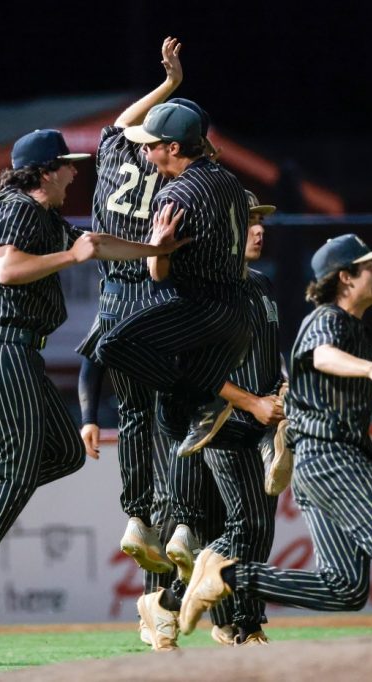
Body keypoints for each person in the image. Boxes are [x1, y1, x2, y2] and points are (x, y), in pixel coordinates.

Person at [0, 129, 186, 647]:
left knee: (64, 454)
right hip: (0, 346)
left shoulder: (44, 215)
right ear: (44, 172)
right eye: (65, 165)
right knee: (20, 470)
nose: (74, 172)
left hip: (16, 349)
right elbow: (8, 267)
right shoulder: (17, 203)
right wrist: (73, 258)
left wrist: (155, 246)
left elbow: (97, 245)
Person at [177, 234, 372, 635]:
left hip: (316, 464)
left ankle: (229, 577)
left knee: (344, 587)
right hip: (334, 458)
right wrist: (370, 370)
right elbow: (321, 354)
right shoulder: (329, 319)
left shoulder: (355, 331)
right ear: (345, 278)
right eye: (369, 268)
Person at [137, 191, 285, 649]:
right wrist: (251, 402)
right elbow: (189, 365)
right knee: (244, 522)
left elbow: (265, 352)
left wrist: (279, 389)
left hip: (260, 418)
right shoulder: (205, 287)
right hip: (220, 418)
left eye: (261, 220)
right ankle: (173, 603)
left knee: (255, 525)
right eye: (248, 220)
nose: (258, 228)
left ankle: (243, 623)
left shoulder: (259, 284)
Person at [76, 36, 194, 574]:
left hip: (114, 296)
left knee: (132, 413)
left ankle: (138, 516)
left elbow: (123, 122)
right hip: (156, 288)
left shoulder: (113, 153)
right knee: (179, 406)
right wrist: (172, 88)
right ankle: (185, 518)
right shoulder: (180, 176)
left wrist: (167, 84)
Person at [93, 102, 251, 460]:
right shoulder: (229, 180)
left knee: (111, 346)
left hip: (201, 311)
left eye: (151, 145)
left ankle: (207, 395)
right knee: (170, 420)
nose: (145, 152)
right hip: (239, 314)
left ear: (174, 148)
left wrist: (157, 249)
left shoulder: (173, 196)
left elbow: (157, 273)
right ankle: (260, 436)